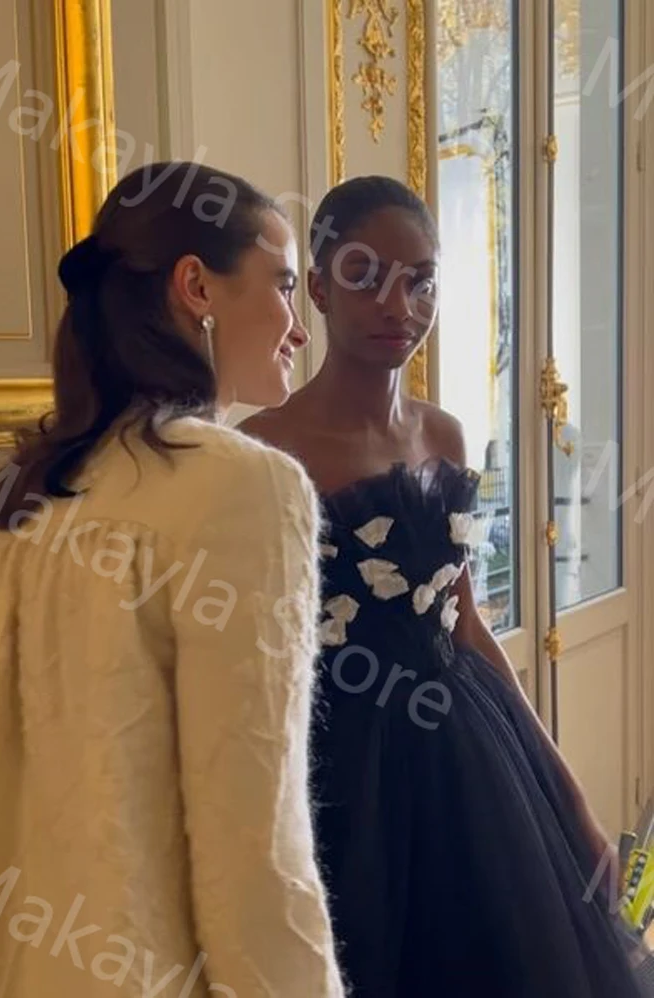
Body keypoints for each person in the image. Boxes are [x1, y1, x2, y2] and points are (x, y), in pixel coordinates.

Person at [0, 162, 345, 998]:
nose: (298, 327)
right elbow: (252, 843)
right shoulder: (245, 489)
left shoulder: (7, 500)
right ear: (196, 286)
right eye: (285, 286)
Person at [240, 175, 642, 997]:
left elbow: (467, 622)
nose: (399, 303)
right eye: (366, 275)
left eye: (420, 279)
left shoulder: (444, 434)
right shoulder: (263, 450)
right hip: (335, 763)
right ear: (317, 285)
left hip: (469, 752)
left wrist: (572, 800)